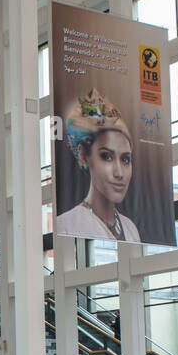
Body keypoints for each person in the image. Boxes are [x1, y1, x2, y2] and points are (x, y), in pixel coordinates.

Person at [55, 91, 141, 242]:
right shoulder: (66, 225)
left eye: (125, 159)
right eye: (107, 156)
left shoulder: (130, 228)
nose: (119, 173)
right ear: (83, 155)